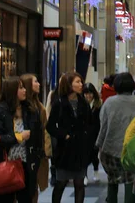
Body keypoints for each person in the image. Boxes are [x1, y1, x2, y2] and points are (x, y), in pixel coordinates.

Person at [96, 73, 135, 203]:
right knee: (130, 180)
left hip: (110, 147)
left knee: (112, 179)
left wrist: (99, 144)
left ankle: (111, 200)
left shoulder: (109, 102)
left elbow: (103, 124)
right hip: (131, 149)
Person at [0, 76, 38, 203]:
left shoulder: (29, 110)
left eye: (23, 87)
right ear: (12, 91)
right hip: (6, 165)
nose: (25, 91)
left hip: (26, 165)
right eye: (20, 88)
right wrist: (19, 137)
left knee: (26, 198)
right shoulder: (0, 111)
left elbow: (37, 135)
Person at [46, 73, 91, 203]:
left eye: (81, 82)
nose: (81, 85)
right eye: (77, 82)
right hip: (64, 150)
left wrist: (87, 138)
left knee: (79, 183)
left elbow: (89, 123)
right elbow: (50, 126)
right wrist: (63, 135)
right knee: (61, 183)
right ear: (69, 84)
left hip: (80, 148)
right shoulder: (59, 103)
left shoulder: (83, 103)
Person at [20, 74, 51, 202]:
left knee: (34, 190)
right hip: (23, 155)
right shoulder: (21, 108)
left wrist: (46, 151)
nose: (39, 84)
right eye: (35, 82)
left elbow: (44, 131)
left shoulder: (40, 108)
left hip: (37, 156)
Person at [83, 83, 102, 184]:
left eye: (90, 93)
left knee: (94, 154)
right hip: (84, 134)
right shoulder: (81, 104)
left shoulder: (98, 105)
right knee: (84, 155)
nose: (88, 96)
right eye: (86, 93)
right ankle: (84, 176)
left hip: (95, 133)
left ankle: (96, 171)